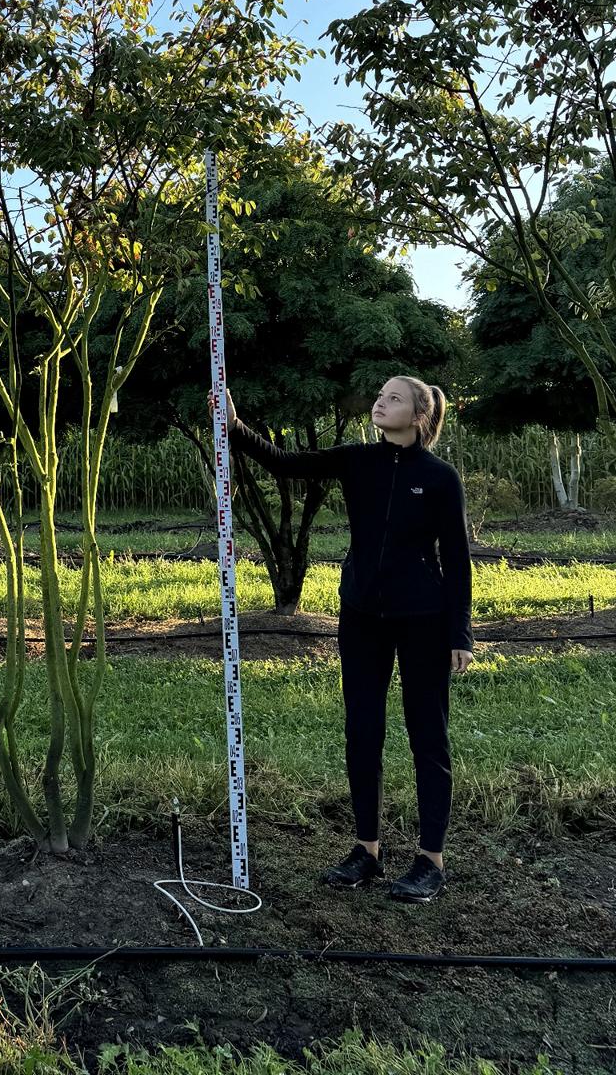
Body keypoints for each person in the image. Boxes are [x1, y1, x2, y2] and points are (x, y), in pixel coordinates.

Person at [208, 376, 473, 903]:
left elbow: (459, 561)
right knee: (362, 732)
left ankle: (430, 860)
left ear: (420, 415)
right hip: (361, 617)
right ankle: (366, 851)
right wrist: (234, 427)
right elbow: (285, 462)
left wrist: (459, 632)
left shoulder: (441, 478)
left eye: (393, 397)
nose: (380, 401)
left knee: (428, 737)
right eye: (380, 395)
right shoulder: (358, 459)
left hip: (423, 618)